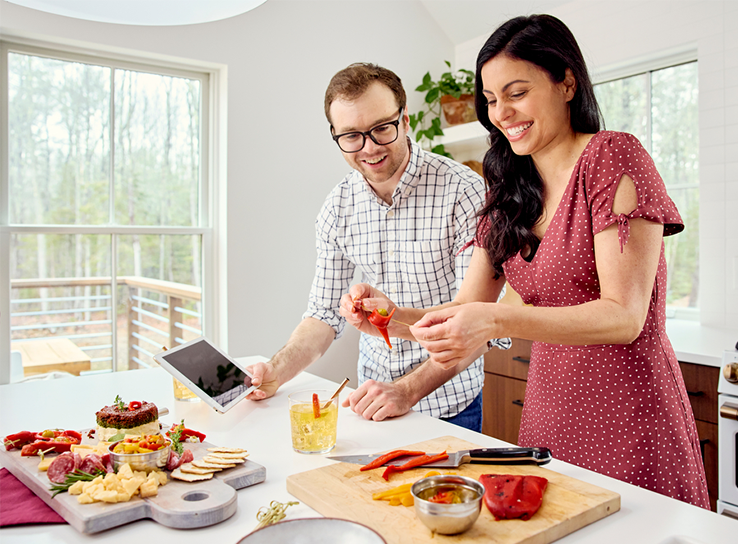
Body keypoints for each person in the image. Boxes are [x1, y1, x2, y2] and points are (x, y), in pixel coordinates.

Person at [341, 16, 711, 509]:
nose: (502, 112)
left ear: (566, 81)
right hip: (549, 416)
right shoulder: (510, 190)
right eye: (491, 100)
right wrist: (393, 318)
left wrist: (492, 318)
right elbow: (466, 313)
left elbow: (624, 316)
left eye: (516, 92)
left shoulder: (612, 157)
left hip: (630, 416)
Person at [246, 63, 498, 432]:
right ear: (335, 135)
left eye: (382, 128)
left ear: (405, 120)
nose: (370, 148)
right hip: (372, 400)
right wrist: (276, 372)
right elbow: (323, 314)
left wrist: (406, 390)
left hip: (449, 406)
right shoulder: (338, 207)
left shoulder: (464, 192)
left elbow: (478, 324)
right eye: (351, 136)